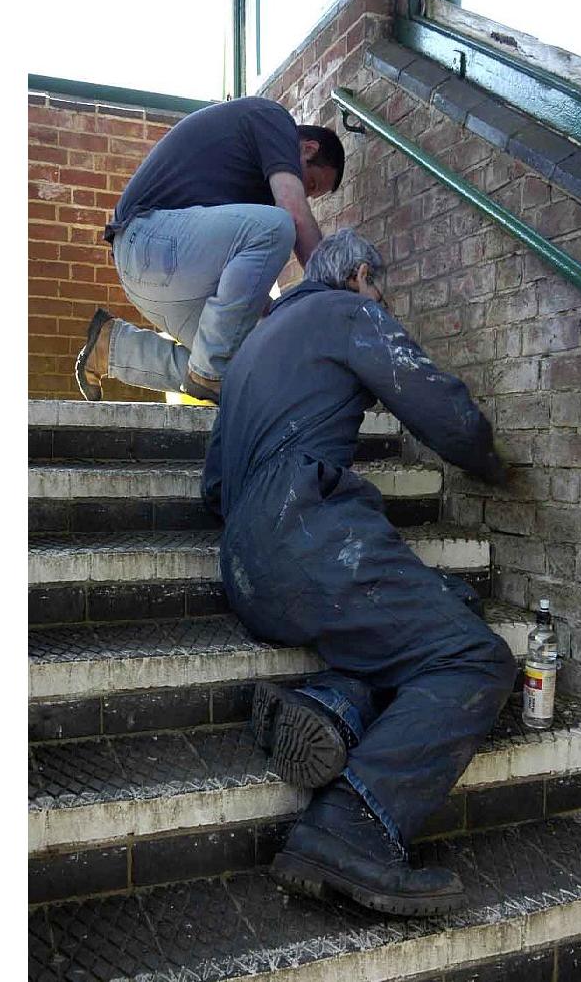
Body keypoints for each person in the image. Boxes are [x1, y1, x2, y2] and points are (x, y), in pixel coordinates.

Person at [203, 228, 517, 917]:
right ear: (362, 276)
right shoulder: (347, 311)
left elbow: (213, 488)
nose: (382, 302)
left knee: (444, 602)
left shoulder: (256, 343)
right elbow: (443, 411)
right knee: (474, 658)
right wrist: (498, 464)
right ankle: (351, 827)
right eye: (381, 289)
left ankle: (332, 704)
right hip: (309, 536)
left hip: (247, 566)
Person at [74, 96, 345, 404]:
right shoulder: (274, 120)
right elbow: (293, 214)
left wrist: (278, 318)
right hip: (148, 237)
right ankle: (210, 370)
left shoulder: (252, 205)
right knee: (279, 225)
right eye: (310, 184)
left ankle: (112, 348)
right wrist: (336, 298)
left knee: (256, 369)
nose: (305, 194)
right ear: (308, 148)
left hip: (159, 271)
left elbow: (246, 289)